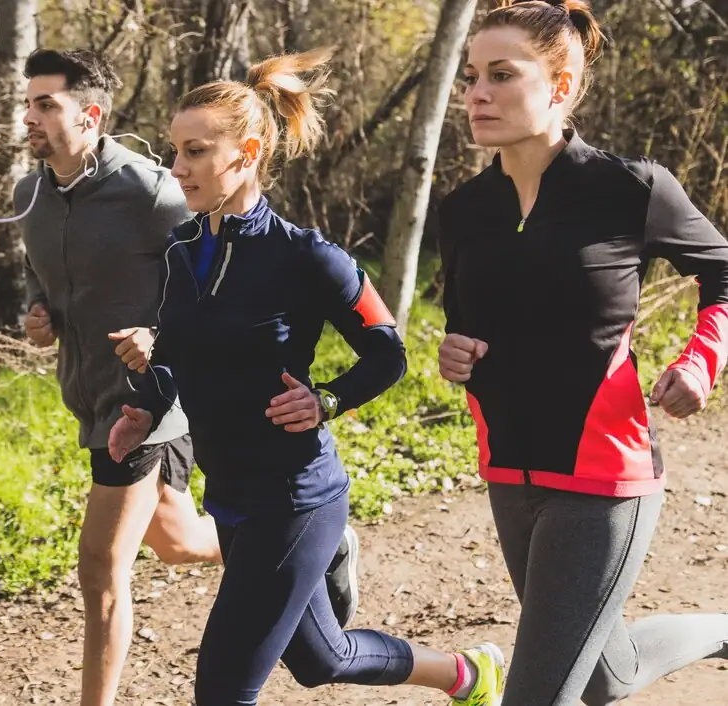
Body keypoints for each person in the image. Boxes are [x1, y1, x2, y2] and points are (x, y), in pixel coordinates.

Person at [107, 47, 505, 706]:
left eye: (196, 151)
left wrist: (327, 400)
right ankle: (469, 674)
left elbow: (389, 353)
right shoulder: (181, 253)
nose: (178, 168)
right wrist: (145, 408)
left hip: (293, 496)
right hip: (229, 493)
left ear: (248, 152)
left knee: (223, 689)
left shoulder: (307, 257)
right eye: (175, 151)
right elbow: (183, 350)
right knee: (324, 658)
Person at [0, 48, 361, 706]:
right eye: (28, 103)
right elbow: (40, 267)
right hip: (91, 397)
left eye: (46, 104)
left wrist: (171, 340)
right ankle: (314, 545)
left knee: (101, 567)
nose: (30, 116)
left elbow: (222, 259)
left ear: (90, 116)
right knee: (179, 543)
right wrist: (38, 310)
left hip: (149, 403)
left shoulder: (148, 188)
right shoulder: (31, 195)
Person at [436, 1, 728, 704]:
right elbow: (466, 325)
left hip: (603, 480)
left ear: (561, 86)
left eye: (501, 75)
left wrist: (700, 361)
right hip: (507, 468)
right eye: (473, 76)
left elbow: (723, 270)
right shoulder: (463, 210)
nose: (477, 93)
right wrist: (456, 353)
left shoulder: (630, 189)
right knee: (608, 671)